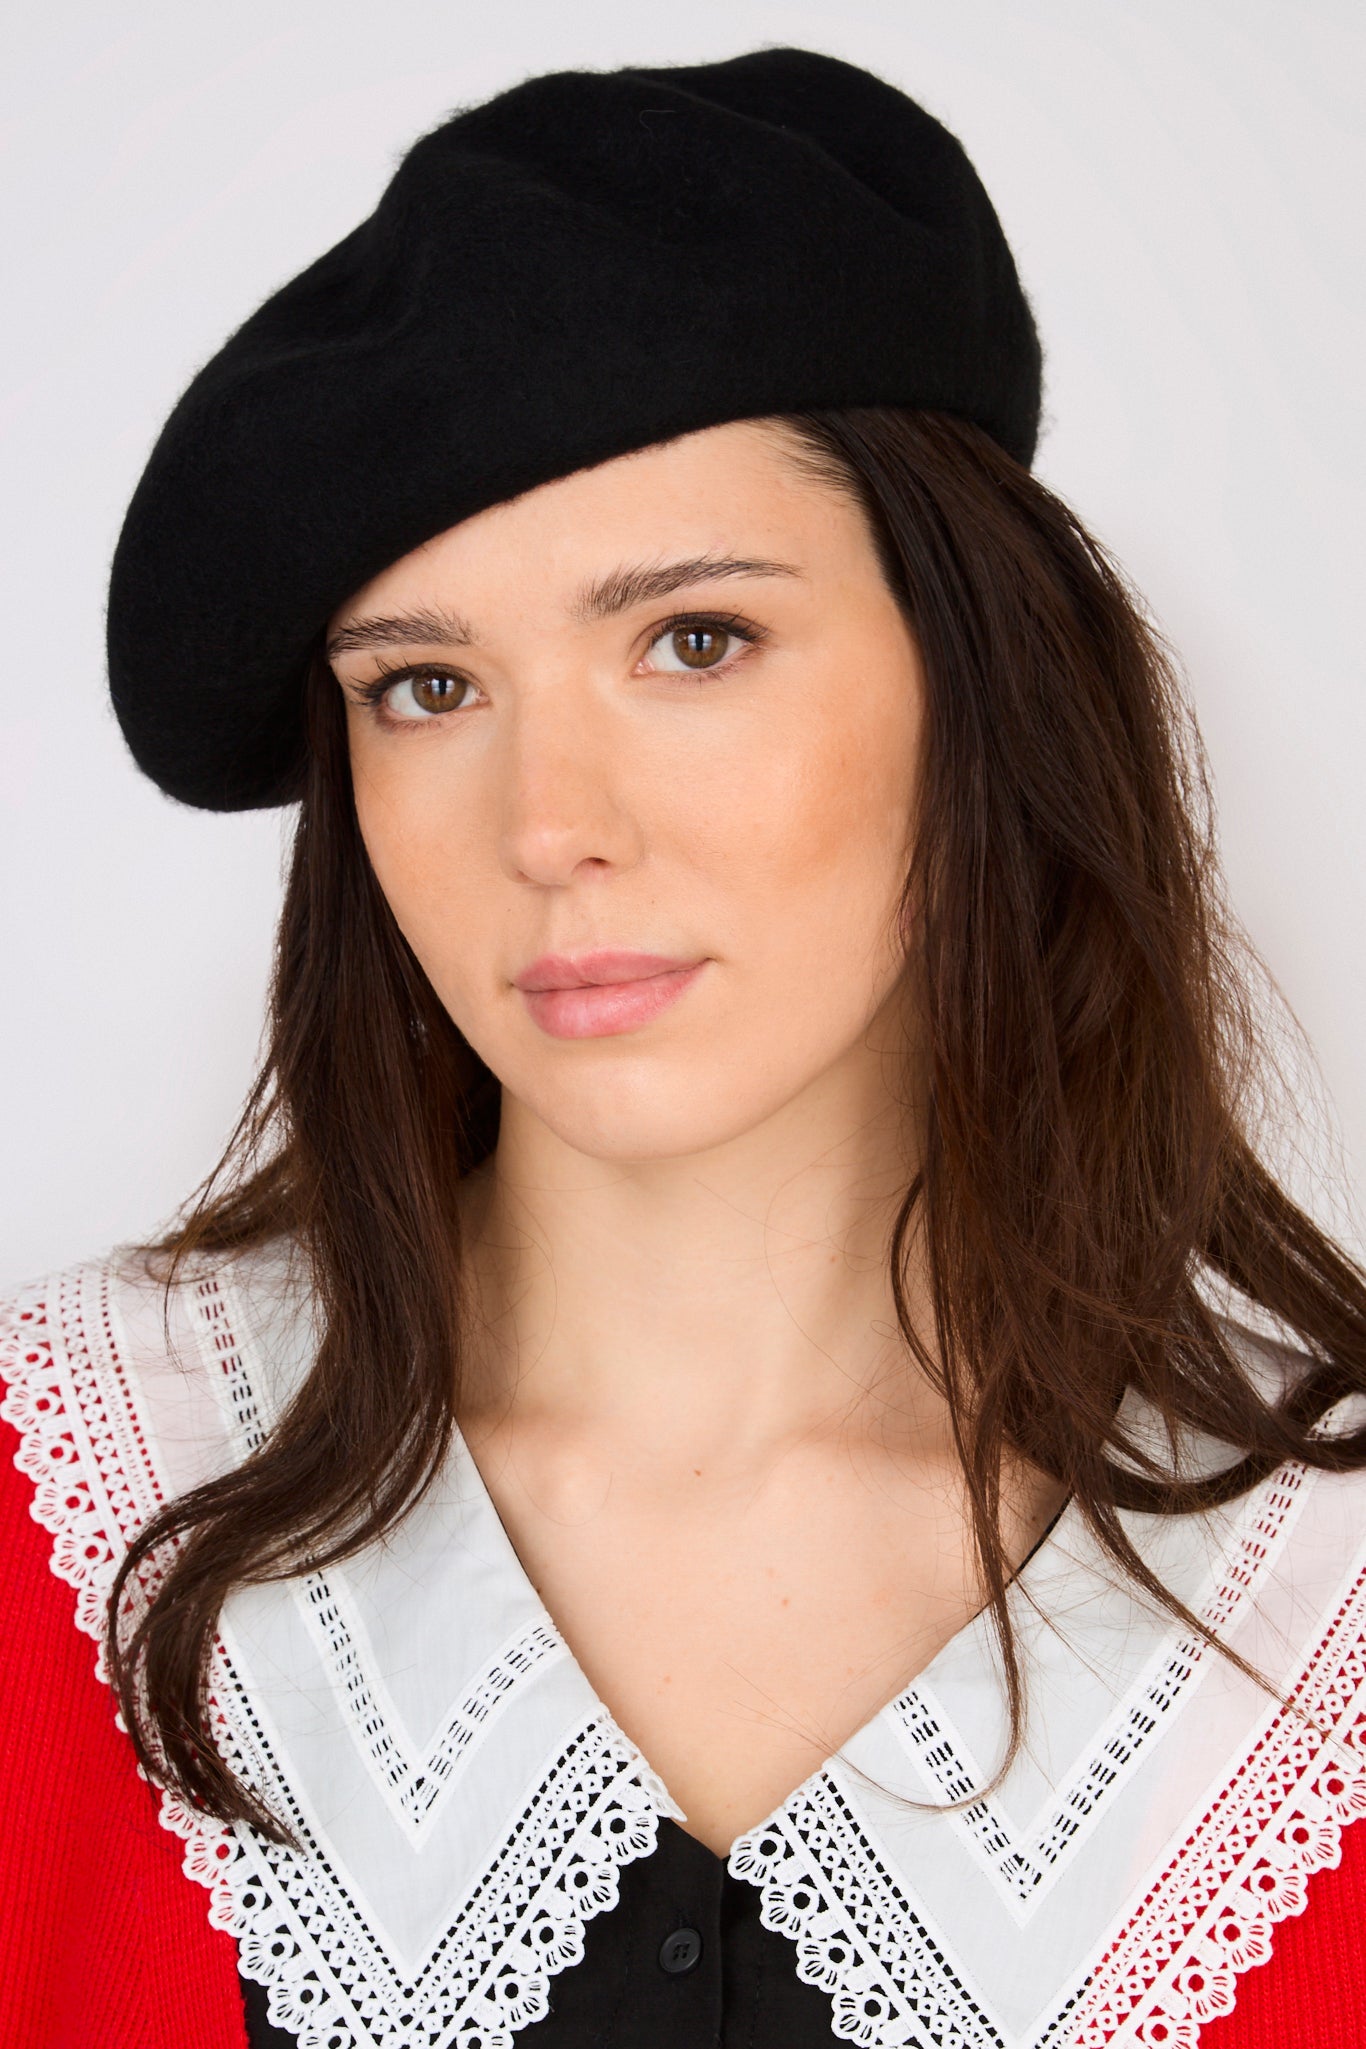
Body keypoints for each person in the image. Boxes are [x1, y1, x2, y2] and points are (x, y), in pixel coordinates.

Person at [3, 44, 1365, 2049]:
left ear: (981, 677)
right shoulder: (75, 1506)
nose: (547, 824)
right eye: (425, 687)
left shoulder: (1317, 1576)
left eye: (693, 640)